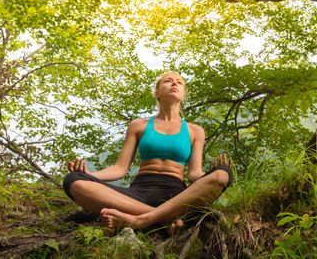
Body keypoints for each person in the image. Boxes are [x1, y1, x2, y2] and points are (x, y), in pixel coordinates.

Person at [62, 71, 233, 232]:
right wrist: (89, 174)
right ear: (158, 92)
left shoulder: (195, 130)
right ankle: (164, 217)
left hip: (176, 194)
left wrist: (213, 173)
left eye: (179, 82)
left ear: (183, 95)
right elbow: (120, 169)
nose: (174, 83)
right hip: (139, 193)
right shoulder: (138, 125)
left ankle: (141, 220)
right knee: (74, 182)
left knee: (222, 175)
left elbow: (194, 174)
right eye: (168, 81)